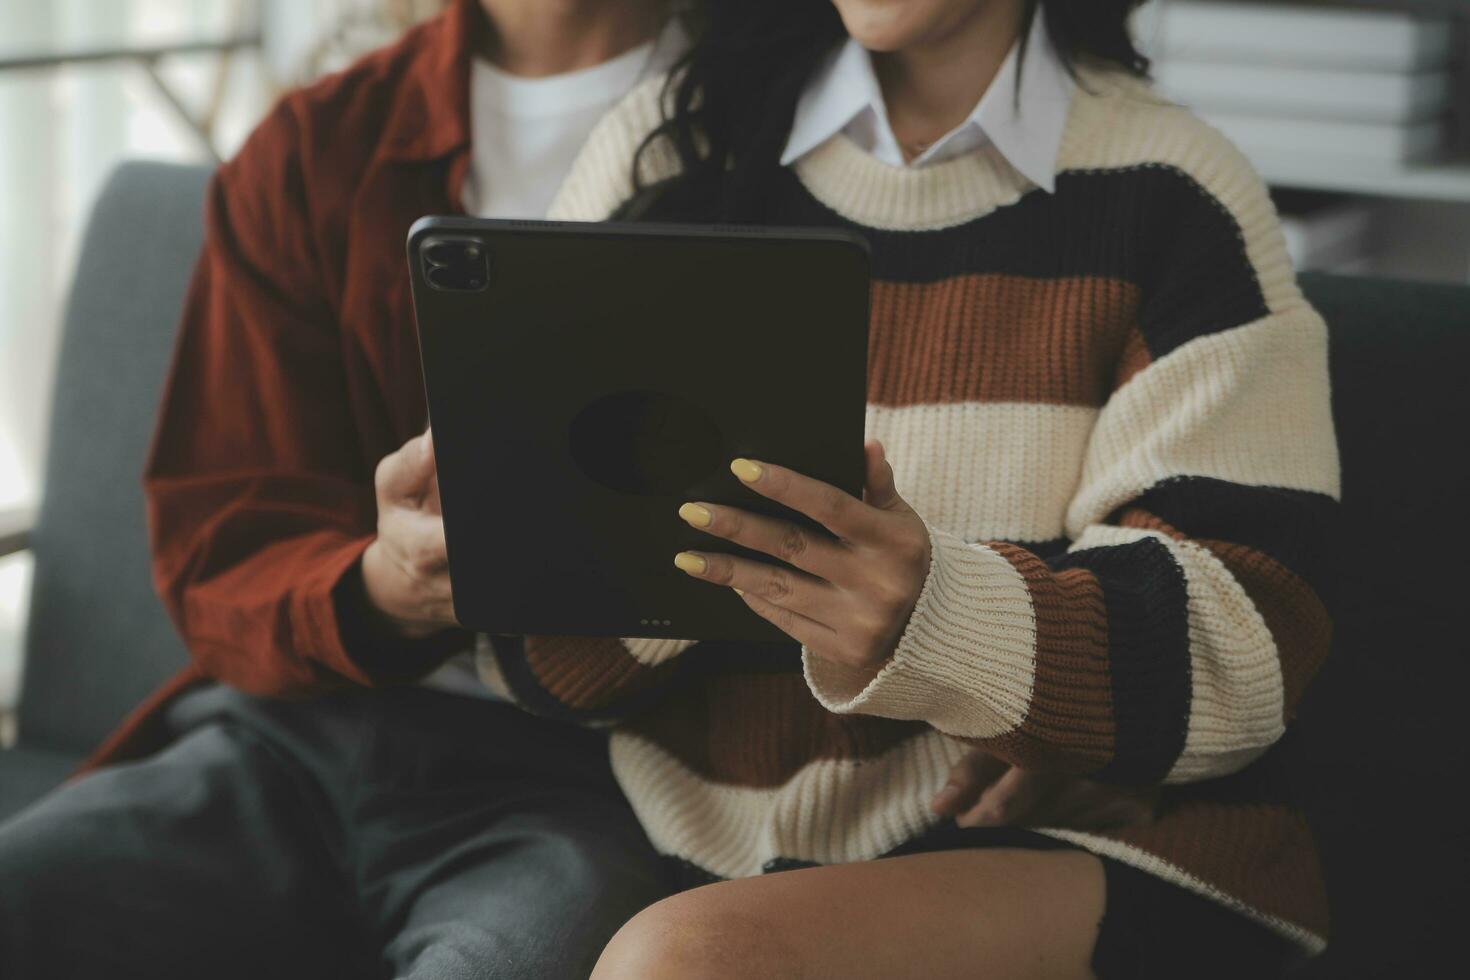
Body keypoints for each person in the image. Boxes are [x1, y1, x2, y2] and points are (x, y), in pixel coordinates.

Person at [0, 1, 1135, 976]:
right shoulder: (317, 149)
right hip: (297, 734)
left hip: (596, 769)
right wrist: (385, 584)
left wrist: (1012, 688)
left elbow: (954, 425)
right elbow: (219, 543)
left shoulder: (808, 117)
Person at [494, 0, 1338, 977]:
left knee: (685, 958)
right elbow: (531, 651)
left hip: (1087, 847)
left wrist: (942, 625)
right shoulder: (665, 145)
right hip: (705, 848)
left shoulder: (1174, 188)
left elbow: (1245, 645)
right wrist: (684, 551)